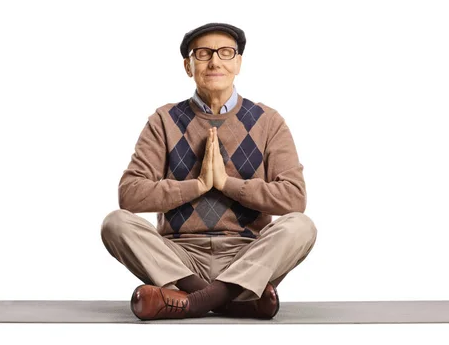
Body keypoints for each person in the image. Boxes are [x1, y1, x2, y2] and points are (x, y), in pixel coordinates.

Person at [100, 22, 317, 320]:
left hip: (246, 256)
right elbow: (130, 195)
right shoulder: (163, 121)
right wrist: (199, 185)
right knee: (115, 224)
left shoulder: (269, 121)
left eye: (226, 53)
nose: (215, 61)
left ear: (238, 62)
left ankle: (191, 302)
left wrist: (227, 184)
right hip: (179, 256)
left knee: (300, 227)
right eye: (203, 53)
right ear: (189, 66)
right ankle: (230, 300)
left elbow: (294, 199)